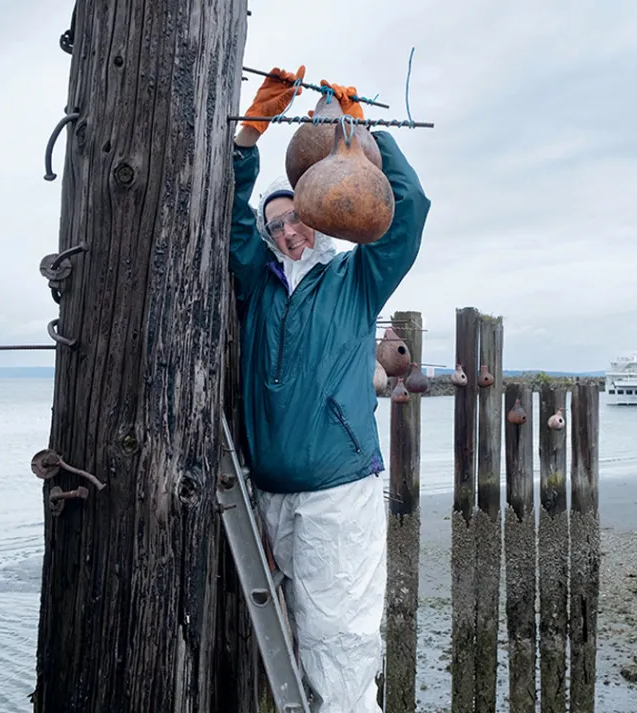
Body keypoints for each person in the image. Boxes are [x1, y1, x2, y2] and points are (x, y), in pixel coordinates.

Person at [227, 65, 430, 713]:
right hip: (268, 495)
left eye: (297, 216)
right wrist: (247, 137)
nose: (288, 229)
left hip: (338, 495)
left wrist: (366, 136)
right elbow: (230, 224)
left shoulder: (355, 280)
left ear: (317, 213)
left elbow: (411, 207)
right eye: (275, 224)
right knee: (284, 637)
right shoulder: (256, 288)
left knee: (338, 642)